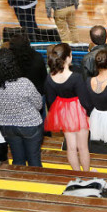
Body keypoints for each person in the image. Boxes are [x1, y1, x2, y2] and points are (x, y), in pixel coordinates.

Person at [0, 48, 44, 167]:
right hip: (30, 125)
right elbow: (39, 104)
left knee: (17, 159)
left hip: (6, 126)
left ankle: (19, 182)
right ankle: (36, 182)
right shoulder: (23, 83)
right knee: (34, 159)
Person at [44, 43, 91, 172]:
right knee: (83, 147)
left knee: (71, 146)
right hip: (79, 111)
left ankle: (77, 174)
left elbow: (50, 100)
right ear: (68, 58)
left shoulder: (49, 78)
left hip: (63, 111)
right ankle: (86, 174)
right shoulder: (76, 77)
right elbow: (85, 100)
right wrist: (89, 115)